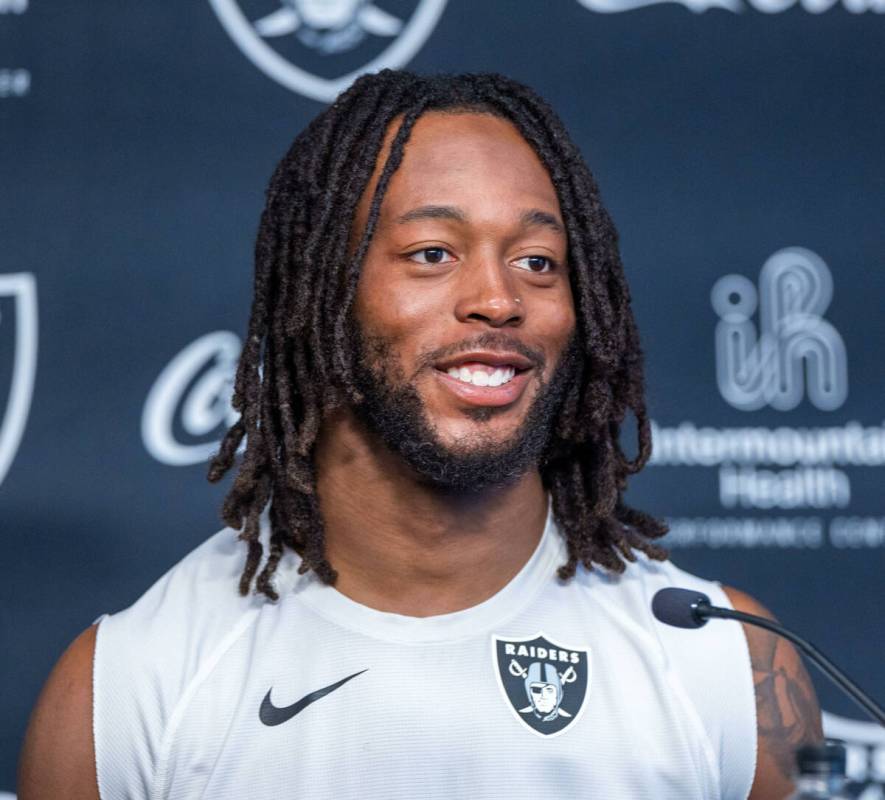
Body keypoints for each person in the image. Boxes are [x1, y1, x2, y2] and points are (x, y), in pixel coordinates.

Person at [18, 69, 822, 799]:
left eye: (538, 262)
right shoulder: (128, 689)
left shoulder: (728, 670)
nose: (498, 299)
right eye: (432, 253)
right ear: (318, 294)